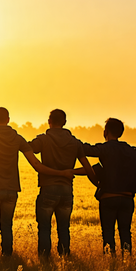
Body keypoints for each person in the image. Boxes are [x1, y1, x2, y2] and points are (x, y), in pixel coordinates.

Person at [0, 107, 74, 256]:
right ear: (8, 120)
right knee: (6, 225)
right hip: (11, 190)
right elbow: (36, 164)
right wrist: (62, 172)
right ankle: (7, 255)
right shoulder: (17, 138)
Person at [29, 109, 97, 257]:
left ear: (49, 121)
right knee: (64, 227)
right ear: (65, 122)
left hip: (48, 188)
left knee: (45, 228)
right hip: (67, 189)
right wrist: (98, 184)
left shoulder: (43, 139)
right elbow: (87, 167)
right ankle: (65, 257)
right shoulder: (75, 142)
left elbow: (30, 148)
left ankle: (45, 259)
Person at [79, 118, 136, 255]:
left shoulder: (105, 148)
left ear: (106, 132)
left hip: (108, 197)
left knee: (108, 231)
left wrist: (73, 142)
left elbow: (86, 149)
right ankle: (127, 260)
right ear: (121, 133)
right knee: (125, 231)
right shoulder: (131, 150)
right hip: (127, 198)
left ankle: (110, 262)